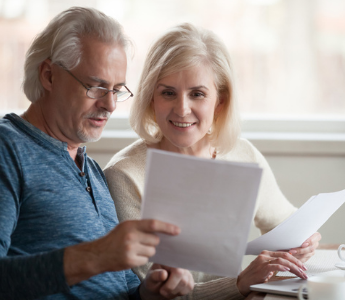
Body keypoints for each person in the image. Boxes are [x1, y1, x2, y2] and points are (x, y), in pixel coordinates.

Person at [104, 23, 322, 299]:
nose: (182, 108)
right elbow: (154, 293)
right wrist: (240, 284)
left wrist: (304, 240)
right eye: (168, 93)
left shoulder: (243, 155)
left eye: (197, 94)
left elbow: (285, 223)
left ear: (220, 101)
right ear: (150, 98)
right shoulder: (125, 175)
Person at [0, 7, 195, 300]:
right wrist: (94, 256)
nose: (110, 105)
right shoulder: (8, 149)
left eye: (116, 90)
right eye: (96, 87)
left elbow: (120, 287)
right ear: (49, 75)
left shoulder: (90, 169)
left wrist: (149, 291)